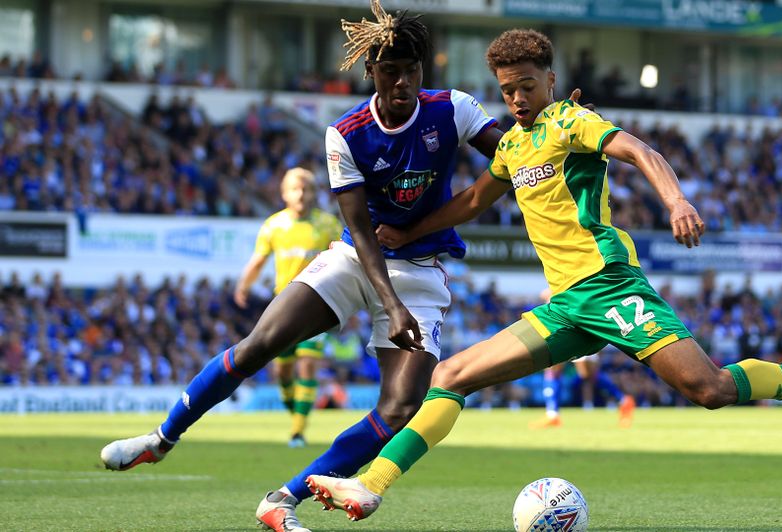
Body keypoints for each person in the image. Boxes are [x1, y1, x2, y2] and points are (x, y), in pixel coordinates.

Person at [303, 28, 782, 523]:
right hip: (565, 306)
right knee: (451, 375)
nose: (518, 99)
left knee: (708, 390)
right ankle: (371, 485)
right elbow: (476, 199)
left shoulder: (570, 121)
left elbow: (639, 151)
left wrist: (676, 200)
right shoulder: (514, 144)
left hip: (609, 286)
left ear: (550, 81)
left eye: (527, 86)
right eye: (508, 91)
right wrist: (407, 233)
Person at [99, 3, 514, 531]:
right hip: (355, 260)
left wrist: (548, 128)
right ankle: (161, 439)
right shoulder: (345, 133)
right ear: (371, 72)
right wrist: (390, 305)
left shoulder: (453, 108)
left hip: (422, 269)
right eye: (391, 70)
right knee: (259, 344)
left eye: (412, 69)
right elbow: (360, 229)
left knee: (402, 406)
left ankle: (282, 500)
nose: (403, 81)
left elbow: (509, 154)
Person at [233, 167, 342, 447]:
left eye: (307, 189)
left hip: (318, 304)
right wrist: (244, 284)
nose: (301, 194)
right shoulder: (273, 226)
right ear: (284, 194)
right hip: (283, 304)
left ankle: (297, 431)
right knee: (283, 372)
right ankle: (297, 413)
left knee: (307, 365)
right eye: (295, 189)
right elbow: (258, 260)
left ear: (315, 193)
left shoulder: (328, 225)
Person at [529, 288, 635, 429]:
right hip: (562, 326)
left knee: (587, 374)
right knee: (554, 369)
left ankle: (623, 401)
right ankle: (552, 415)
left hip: (581, 325)